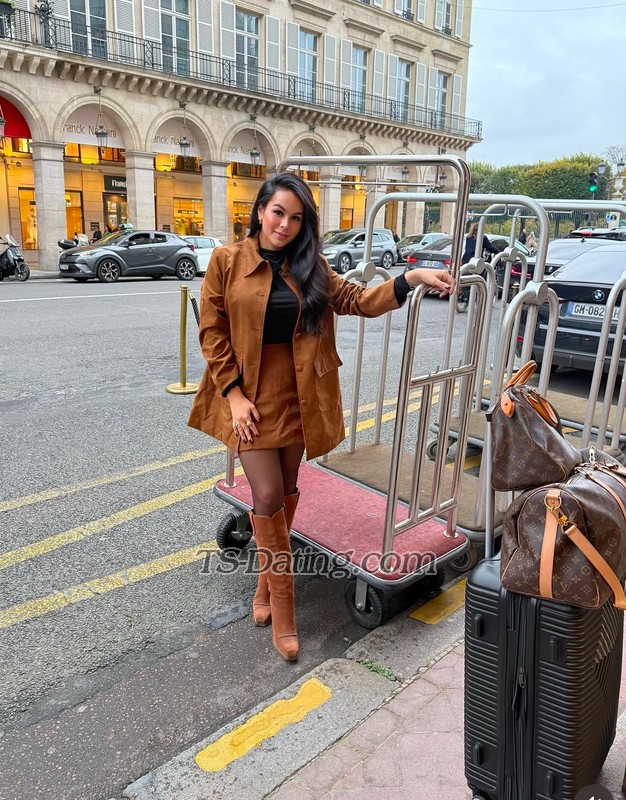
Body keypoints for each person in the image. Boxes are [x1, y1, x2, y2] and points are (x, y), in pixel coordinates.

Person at [187, 172, 454, 663]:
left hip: (299, 394)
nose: (284, 225)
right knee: (267, 494)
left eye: (295, 218)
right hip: (248, 397)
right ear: (260, 210)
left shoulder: (311, 266)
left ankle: (266, 585)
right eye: (277, 212)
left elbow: (357, 301)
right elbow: (212, 331)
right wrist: (234, 395)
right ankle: (284, 612)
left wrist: (410, 279)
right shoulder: (227, 261)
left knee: (286, 493)